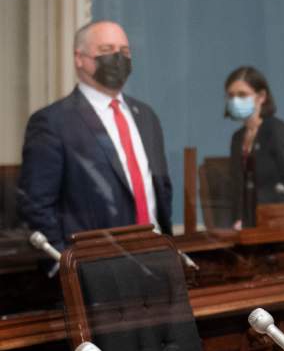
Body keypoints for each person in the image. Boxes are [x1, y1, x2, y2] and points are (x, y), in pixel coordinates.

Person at [18, 20, 172, 251]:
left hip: (156, 255)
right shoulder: (53, 122)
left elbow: (160, 189)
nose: (117, 58)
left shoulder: (146, 116)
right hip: (95, 265)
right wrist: (65, 266)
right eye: (106, 50)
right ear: (79, 58)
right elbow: (37, 205)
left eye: (124, 51)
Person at [224, 66, 284, 229]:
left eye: (242, 95)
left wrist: (280, 218)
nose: (235, 101)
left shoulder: (279, 132)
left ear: (261, 96)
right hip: (245, 226)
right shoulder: (237, 137)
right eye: (231, 96)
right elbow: (238, 187)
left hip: (277, 227)